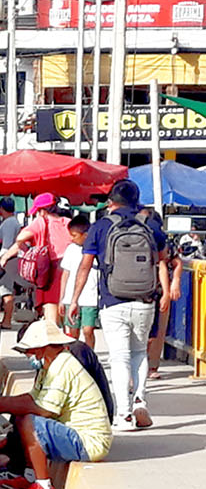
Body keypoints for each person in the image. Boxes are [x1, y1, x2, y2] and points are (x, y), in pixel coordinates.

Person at [70, 180, 169, 433]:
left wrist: (75, 299)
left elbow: (84, 266)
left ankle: (124, 415)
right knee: (138, 353)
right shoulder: (150, 225)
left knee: (119, 357)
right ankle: (140, 400)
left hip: (113, 300)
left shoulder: (101, 227)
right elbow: (162, 259)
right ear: (136, 201)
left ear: (111, 202)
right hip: (145, 300)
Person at [0, 321, 112, 489]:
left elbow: (44, 409)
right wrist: (4, 406)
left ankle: (44, 488)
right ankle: (31, 477)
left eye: (31, 351)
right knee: (21, 416)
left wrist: (2, 405)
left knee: (30, 422)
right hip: (77, 434)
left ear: (45, 348)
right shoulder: (50, 366)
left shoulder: (62, 367)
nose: (29, 356)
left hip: (89, 442)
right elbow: (32, 398)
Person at [0, 192, 70, 325]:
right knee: (64, 310)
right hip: (68, 268)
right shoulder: (67, 222)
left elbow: (20, 238)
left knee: (50, 311)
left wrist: (7, 256)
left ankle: (53, 341)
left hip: (50, 269)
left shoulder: (41, 221)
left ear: (42, 211)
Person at [140, 208, 184, 380]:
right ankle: (141, 365)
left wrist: (175, 282)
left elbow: (176, 262)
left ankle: (152, 366)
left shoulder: (162, 240)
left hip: (159, 291)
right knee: (142, 332)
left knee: (158, 330)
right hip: (142, 289)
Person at [58, 215, 99, 348]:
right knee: (72, 331)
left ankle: (90, 355)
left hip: (90, 298)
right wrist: (62, 299)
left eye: (75, 235)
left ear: (85, 235)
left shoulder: (96, 250)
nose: (72, 238)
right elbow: (65, 274)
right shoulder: (70, 249)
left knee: (88, 330)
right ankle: (74, 354)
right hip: (70, 297)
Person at [0, 197, 23, 329]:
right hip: (5, 259)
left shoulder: (10, 223)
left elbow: (7, 245)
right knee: (4, 290)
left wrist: (0, 261)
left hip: (5, 261)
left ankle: (7, 320)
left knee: (6, 291)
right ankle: (6, 319)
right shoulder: (12, 222)